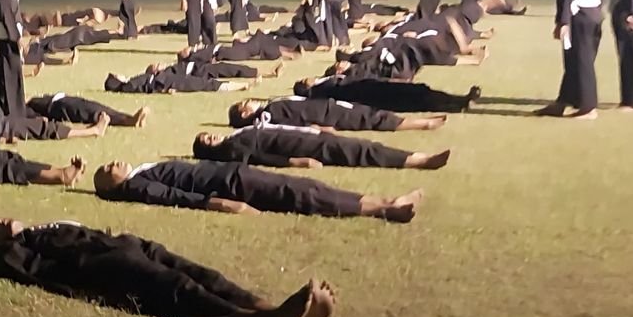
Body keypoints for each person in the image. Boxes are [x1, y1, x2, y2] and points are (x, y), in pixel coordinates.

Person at [0, 219, 336, 317]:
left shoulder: (42, 224)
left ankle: (278, 312)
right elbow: (34, 268)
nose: (0, 221)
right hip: (98, 263)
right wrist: (1, 246)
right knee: (173, 286)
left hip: (125, 243)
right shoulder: (14, 248)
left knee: (205, 275)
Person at [93, 160, 423, 223]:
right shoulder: (136, 185)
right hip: (232, 185)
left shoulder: (137, 172)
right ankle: (385, 209)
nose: (112, 164)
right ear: (112, 187)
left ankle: (384, 203)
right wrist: (222, 204)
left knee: (308, 188)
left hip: (235, 174)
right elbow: (174, 196)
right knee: (304, 196)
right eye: (108, 171)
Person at [192, 126, 451, 170]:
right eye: (207, 140)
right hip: (308, 148)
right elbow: (259, 157)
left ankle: (417, 158)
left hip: (311, 137)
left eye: (207, 134)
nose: (211, 136)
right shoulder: (231, 150)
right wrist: (294, 162)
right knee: (363, 152)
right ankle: (421, 161)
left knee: (365, 146)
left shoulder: (236, 135)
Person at [228, 96, 447, 132]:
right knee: (371, 118)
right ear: (245, 112)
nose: (252, 101)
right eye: (247, 103)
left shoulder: (271, 107)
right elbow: (294, 122)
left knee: (369, 112)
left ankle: (418, 122)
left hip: (328, 107)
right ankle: (422, 124)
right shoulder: (270, 112)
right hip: (328, 115)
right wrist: (318, 128)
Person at [294, 75, 480, 113]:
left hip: (374, 91)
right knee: (417, 97)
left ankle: (459, 102)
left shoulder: (324, 87)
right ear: (307, 86)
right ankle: (459, 102)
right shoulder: (322, 89)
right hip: (374, 94)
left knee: (418, 95)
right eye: (305, 80)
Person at [26, 93, 148, 128]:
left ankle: (128, 119)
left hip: (59, 100)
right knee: (92, 111)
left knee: (96, 107)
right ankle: (128, 121)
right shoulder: (25, 107)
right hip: (55, 106)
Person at [104, 68, 252, 94]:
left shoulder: (130, 82)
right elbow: (149, 88)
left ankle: (239, 85)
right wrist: (164, 91)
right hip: (167, 82)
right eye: (117, 76)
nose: (119, 74)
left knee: (202, 81)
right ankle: (239, 86)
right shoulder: (129, 85)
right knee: (203, 84)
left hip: (166, 78)